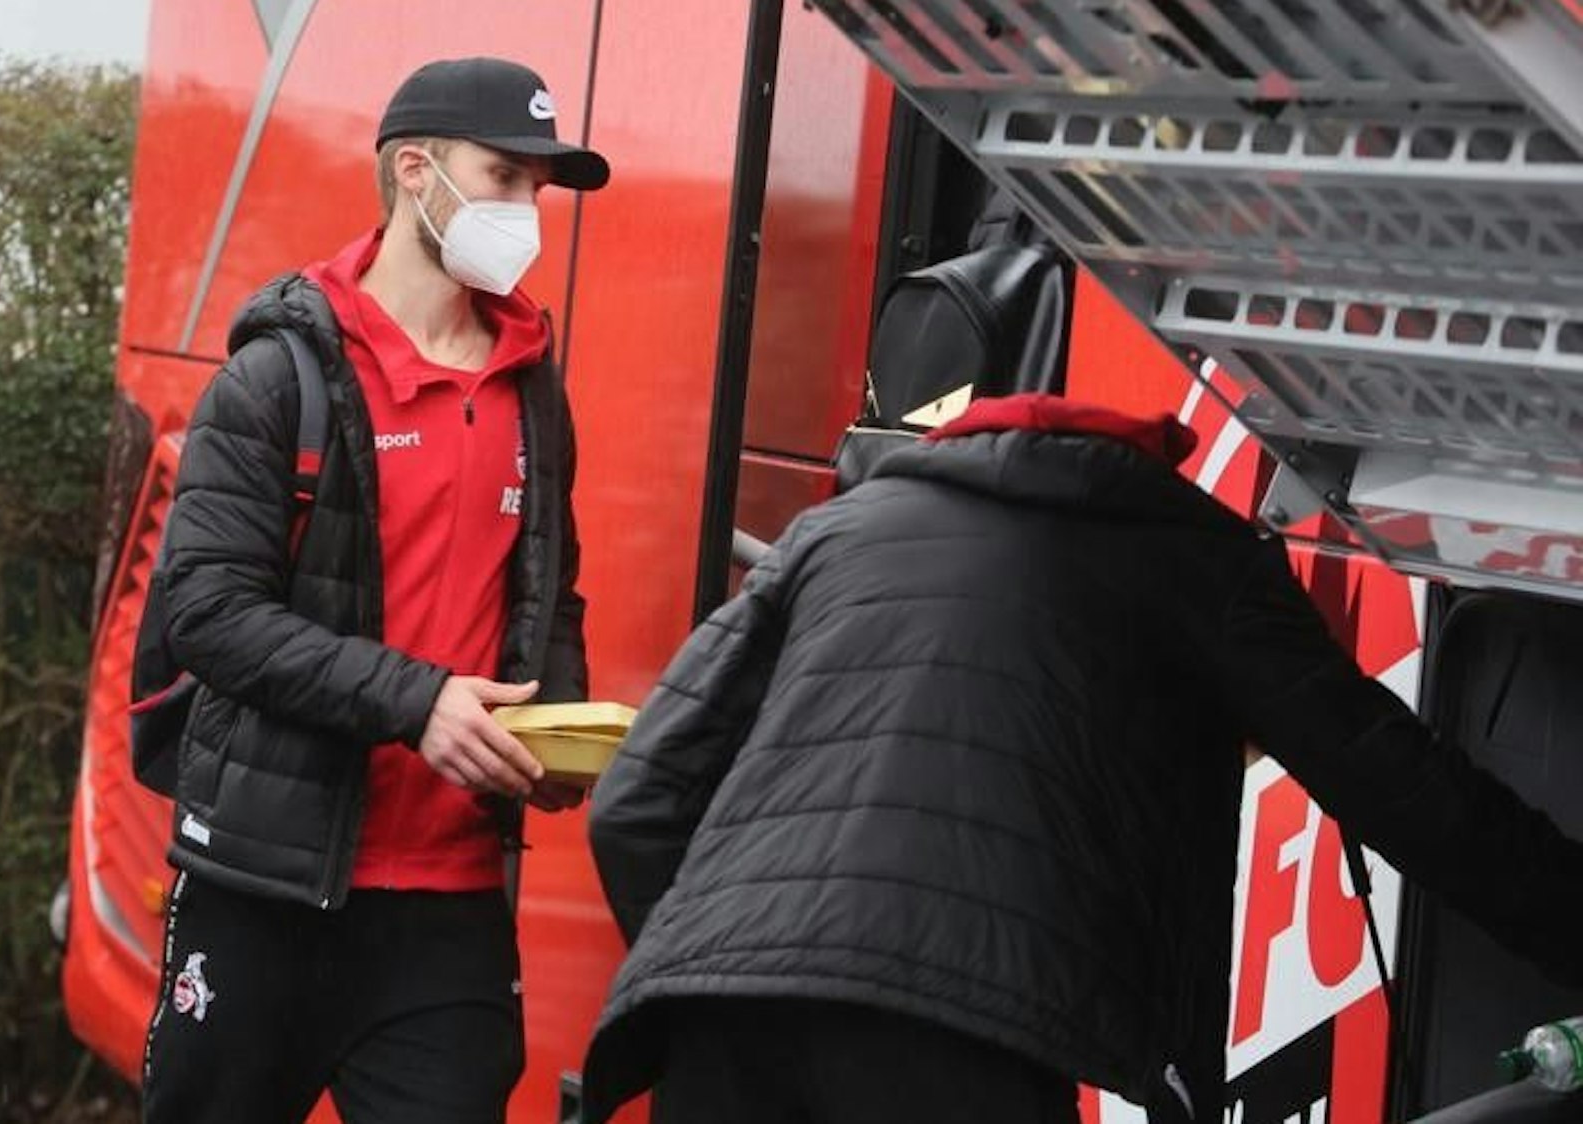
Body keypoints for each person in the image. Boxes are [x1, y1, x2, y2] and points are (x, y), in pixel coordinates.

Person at [579, 394, 1583, 1124]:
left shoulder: (835, 530)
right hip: (960, 1037)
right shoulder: (1192, 554)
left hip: (719, 1034)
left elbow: (635, 798)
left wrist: (727, 965)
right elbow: (1398, 783)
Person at [140, 57, 609, 1124]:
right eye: (501, 176)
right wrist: (416, 700)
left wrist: (556, 729)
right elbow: (207, 610)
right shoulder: (277, 376)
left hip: (447, 914)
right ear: (414, 171)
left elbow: (549, 591)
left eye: (538, 188)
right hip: (264, 885)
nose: (525, 211)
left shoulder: (531, 382)